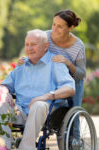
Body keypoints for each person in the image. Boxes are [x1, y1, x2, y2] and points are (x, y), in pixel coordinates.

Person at [0, 29, 75, 150]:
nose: (29, 48)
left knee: (39, 105)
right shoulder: (22, 65)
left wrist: (46, 96)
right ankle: (4, 147)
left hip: (46, 113)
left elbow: (70, 88)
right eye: (27, 44)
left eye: (33, 44)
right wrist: (5, 93)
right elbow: (4, 85)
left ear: (45, 46)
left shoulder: (55, 63)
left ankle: (26, 147)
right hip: (20, 111)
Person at [18, 9, 86, 140]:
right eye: (54, 24)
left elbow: (81, 74)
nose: (55, 29)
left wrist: (67, 62)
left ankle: (76, 142)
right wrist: (24, 59)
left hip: (72, 81)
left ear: (71, 27)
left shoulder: (78, 46)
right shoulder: (45, 36)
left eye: (60, 26)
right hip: (48, 77)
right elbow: (33, 53)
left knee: (74, 114)